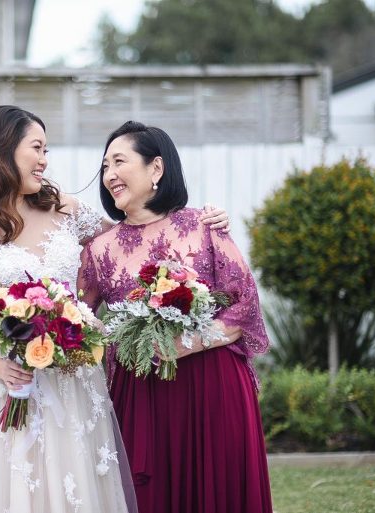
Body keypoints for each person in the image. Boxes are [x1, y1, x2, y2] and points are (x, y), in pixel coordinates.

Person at [0, 106, 230, 512]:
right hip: (5, 388)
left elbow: (136, 238)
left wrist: (198, 220)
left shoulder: (66, 210)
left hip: (72, 387)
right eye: (36, 148)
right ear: (5, 152)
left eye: (46, 149)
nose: (45, 160)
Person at [78, 121, 273, 513]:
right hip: (142, 395)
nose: (109, 175)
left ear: (156, 169)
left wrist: (184, 344)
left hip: (213, 387)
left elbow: (244, 305)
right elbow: (79, 317)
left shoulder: (204, 227)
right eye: (104, 167)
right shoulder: (98, 250)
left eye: (119, 162)